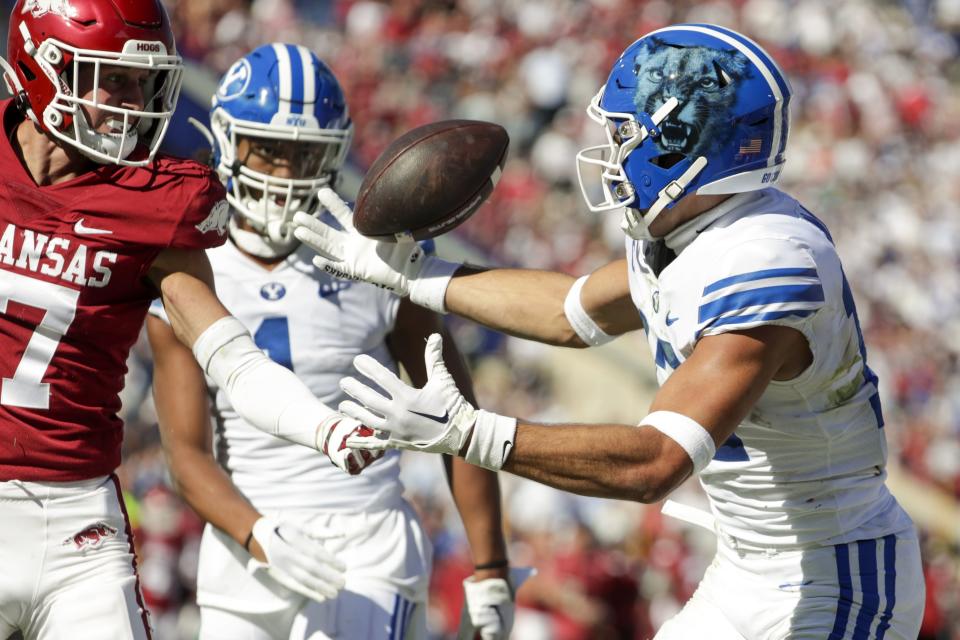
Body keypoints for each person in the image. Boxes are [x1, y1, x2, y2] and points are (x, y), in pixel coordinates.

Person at [293, 24, 926, 639]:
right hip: (747, 566)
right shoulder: (693, 232)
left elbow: (655, 463)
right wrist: (414, 276)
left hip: (835, 575)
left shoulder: (766, 260)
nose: (613, 152)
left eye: (625, 134)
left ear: (681, 143)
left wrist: (470, 434)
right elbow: (568, 311)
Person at [0, 2, 366, 637]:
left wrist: (322, 426)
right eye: (114, 78)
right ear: (45, 65)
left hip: (79, 530)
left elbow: (228, 352)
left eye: (144, 82)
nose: (133, 100)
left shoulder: (153, 202)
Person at [146, 43, 519, 639]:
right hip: (247, 544)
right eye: (267, 150)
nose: (286, 172)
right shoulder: (186, 267)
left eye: (303, 154)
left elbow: (458, 419)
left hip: (367, 538)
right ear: (226, 141)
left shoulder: (376, 259)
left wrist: (491, 564)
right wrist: (257, 531)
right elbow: (186, 453)